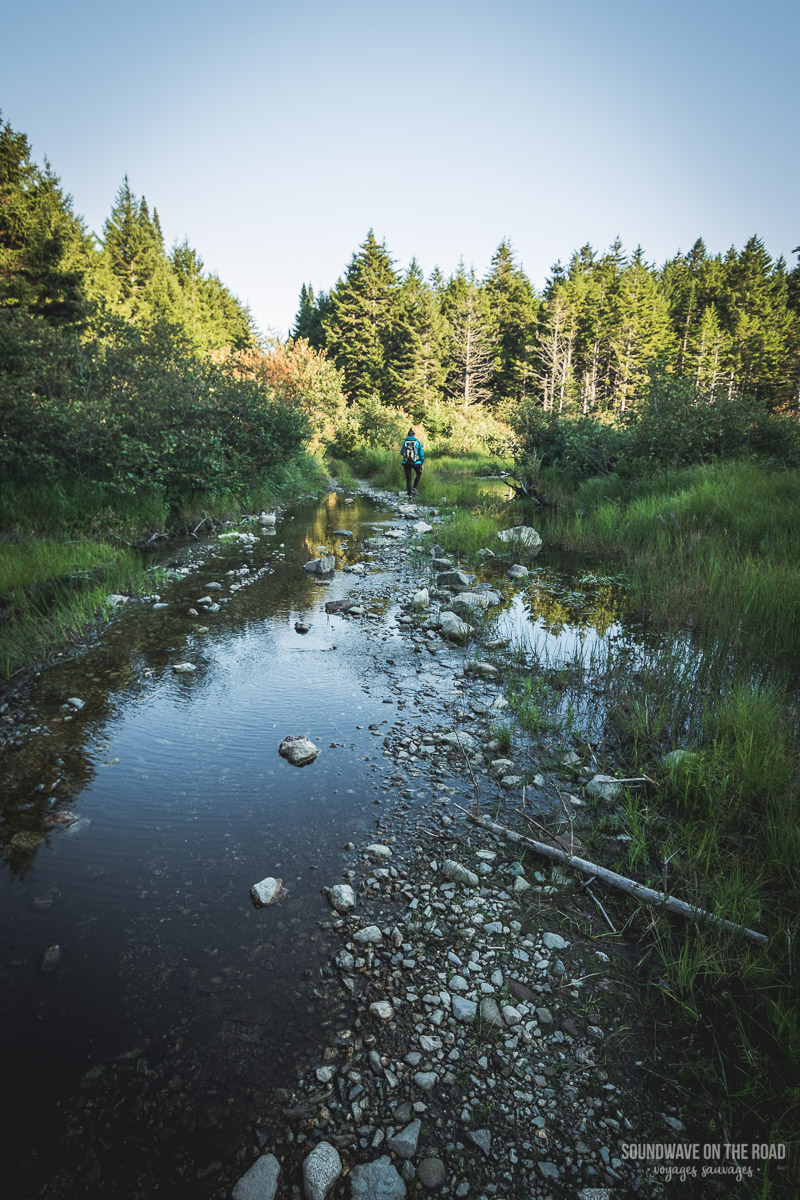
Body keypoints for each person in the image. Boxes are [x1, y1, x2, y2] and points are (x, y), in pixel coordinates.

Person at [400, 428, 425, 498]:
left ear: (408, 435)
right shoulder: (417, 442)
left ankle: (410, 495)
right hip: (416, 462)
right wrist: (422, 463)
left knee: (408, 479)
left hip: (406, 462)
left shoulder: (405, 442)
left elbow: (402, 452)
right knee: (419, 473)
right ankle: (414, 488)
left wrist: (407, 456)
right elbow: (421, 454)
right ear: (414, 435)